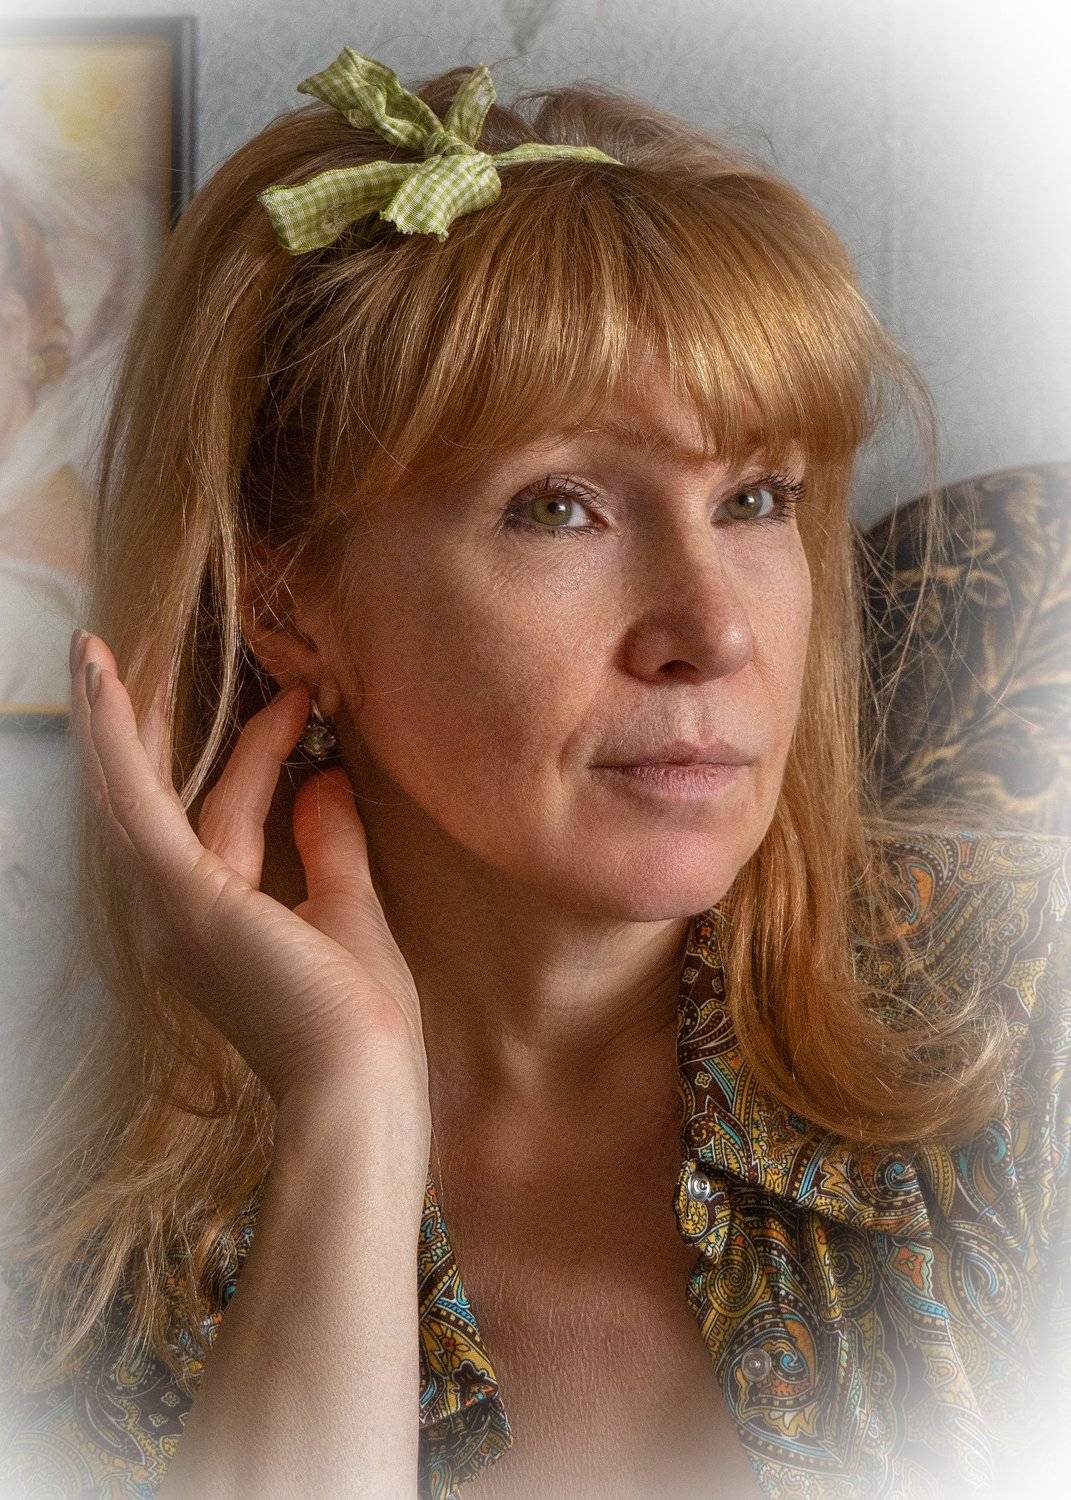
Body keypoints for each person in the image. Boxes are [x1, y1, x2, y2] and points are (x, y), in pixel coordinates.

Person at [0, 41, 1067, 1500]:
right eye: (558, 508)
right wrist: (347, 1118)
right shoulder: (83, 1317)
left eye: (756, 499)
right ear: (289, 598)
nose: (713, 631)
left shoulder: (1033, 1026)